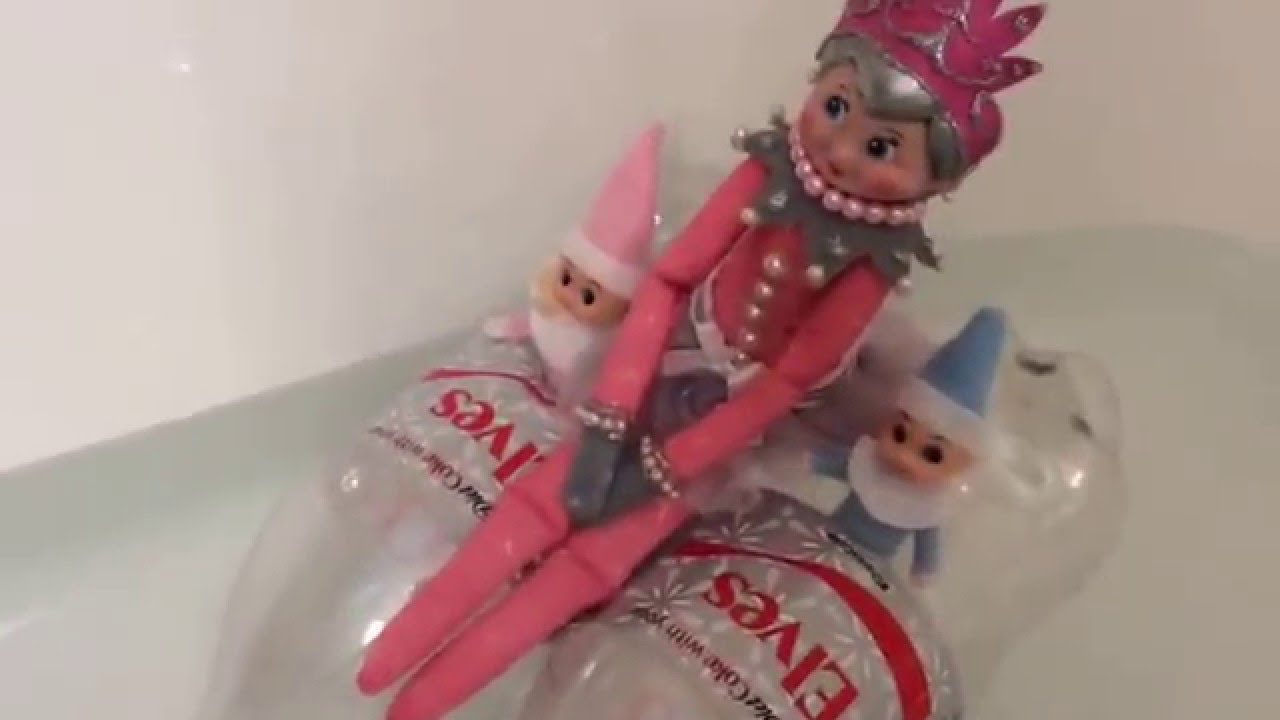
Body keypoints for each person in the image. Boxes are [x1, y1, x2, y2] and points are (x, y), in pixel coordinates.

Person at [358, 3, 1049, 717]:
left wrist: (670, 465)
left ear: (937, 179)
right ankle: (387, 662)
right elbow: (668, 279)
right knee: (536, 503)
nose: (842, 150)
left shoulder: (873, 262)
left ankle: (430, 700)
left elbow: (788, 379)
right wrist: (612, 410)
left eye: (882, 147)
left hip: (726, 432)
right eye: (836, 106)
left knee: (596, 562)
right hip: (661, 370)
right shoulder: (767, 172)